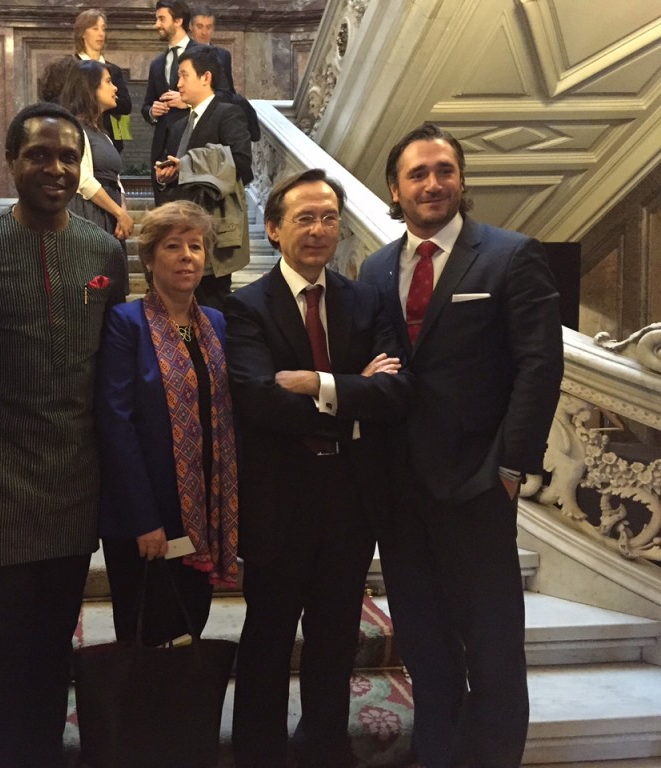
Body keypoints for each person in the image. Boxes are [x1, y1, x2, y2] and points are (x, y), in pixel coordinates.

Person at [358, 124, 564, 767]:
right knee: (423, 642)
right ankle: (439, 755)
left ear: (462, 180)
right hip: (401, 489)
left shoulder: (511, 255)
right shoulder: (374, 266)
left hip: (478, 484)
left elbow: (540, 367)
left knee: (494, 647)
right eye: (417, 174)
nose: (432, 184)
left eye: (444, 170)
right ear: (395, 189)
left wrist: (509, 468)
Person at [225, 169, 413, 767]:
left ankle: (325, 747)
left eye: (329, 217)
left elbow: (397, 394)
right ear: (274, 229)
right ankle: (260, 751)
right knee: (268, 636)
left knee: (334, 639)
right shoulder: (244, 307)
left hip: (350, 500)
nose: (319, 229)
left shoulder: (365, 300)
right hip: (279, 499)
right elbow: (259, 401)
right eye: (305, 218)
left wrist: (318, 385)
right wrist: (354, 399)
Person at [0, 102, 127, 767]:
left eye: (67, 156)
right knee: (1, 647)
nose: (55, 168)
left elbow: (113, 365)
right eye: (39, 155)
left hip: (73, 482)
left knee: (56, 641)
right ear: (11, 161)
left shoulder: (104, 251)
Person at [96, 200, 237, 647]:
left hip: (203, 512)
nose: (187, 256)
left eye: (195, 246)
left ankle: (180, 717)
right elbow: (116, 423)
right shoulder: (126, 323)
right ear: (150, 257)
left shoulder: (214, 323)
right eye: (173, 246)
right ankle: (140, 718)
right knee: (143, 635)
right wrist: (144, 520)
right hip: (146, 515)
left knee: (188, 626)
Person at [155, 45, 252, 309]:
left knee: (212, 308)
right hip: (183, 231)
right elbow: (183, 174)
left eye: (184, 76)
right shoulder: (179, 126)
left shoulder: (228, 113)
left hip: (214, 232)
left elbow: (242, 163)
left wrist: (188, 164)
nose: (178, 84)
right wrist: (168, 176)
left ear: (205, 77)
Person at [59, 60, 135, 242]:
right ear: (90, 88)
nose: (115, 88)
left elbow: (116, 180)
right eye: (108, 82)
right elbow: (82, 179)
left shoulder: (103, 135)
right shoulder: (74, 129)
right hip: (89, 215)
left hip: (111, 217)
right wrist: (118, 212)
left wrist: (122, 212)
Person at [143, 0, 199, 202]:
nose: (156, 24)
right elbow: (146, 105)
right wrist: (152, 111)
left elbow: (222, 98)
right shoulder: (157, 63)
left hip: (192, 146)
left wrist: (188, 102)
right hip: (161, 150)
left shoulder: (203, 54)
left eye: (161, 18)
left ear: (178, 20)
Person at [74, 8, 133, 153]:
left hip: (110, 139)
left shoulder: (113, 70)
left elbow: (125, 105)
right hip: (79, 139)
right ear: (82, 33)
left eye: (103, 29)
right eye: (95, 28)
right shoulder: (72, 68)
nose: (101, 33)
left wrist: (101, 98)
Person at [189, 5, 234, 93]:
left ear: (213, 29)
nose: (204, 32)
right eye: (199, 26)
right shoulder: (182, 52)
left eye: (208, 27)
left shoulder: (223, 56)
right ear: (191, 26)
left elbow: (229, 91)